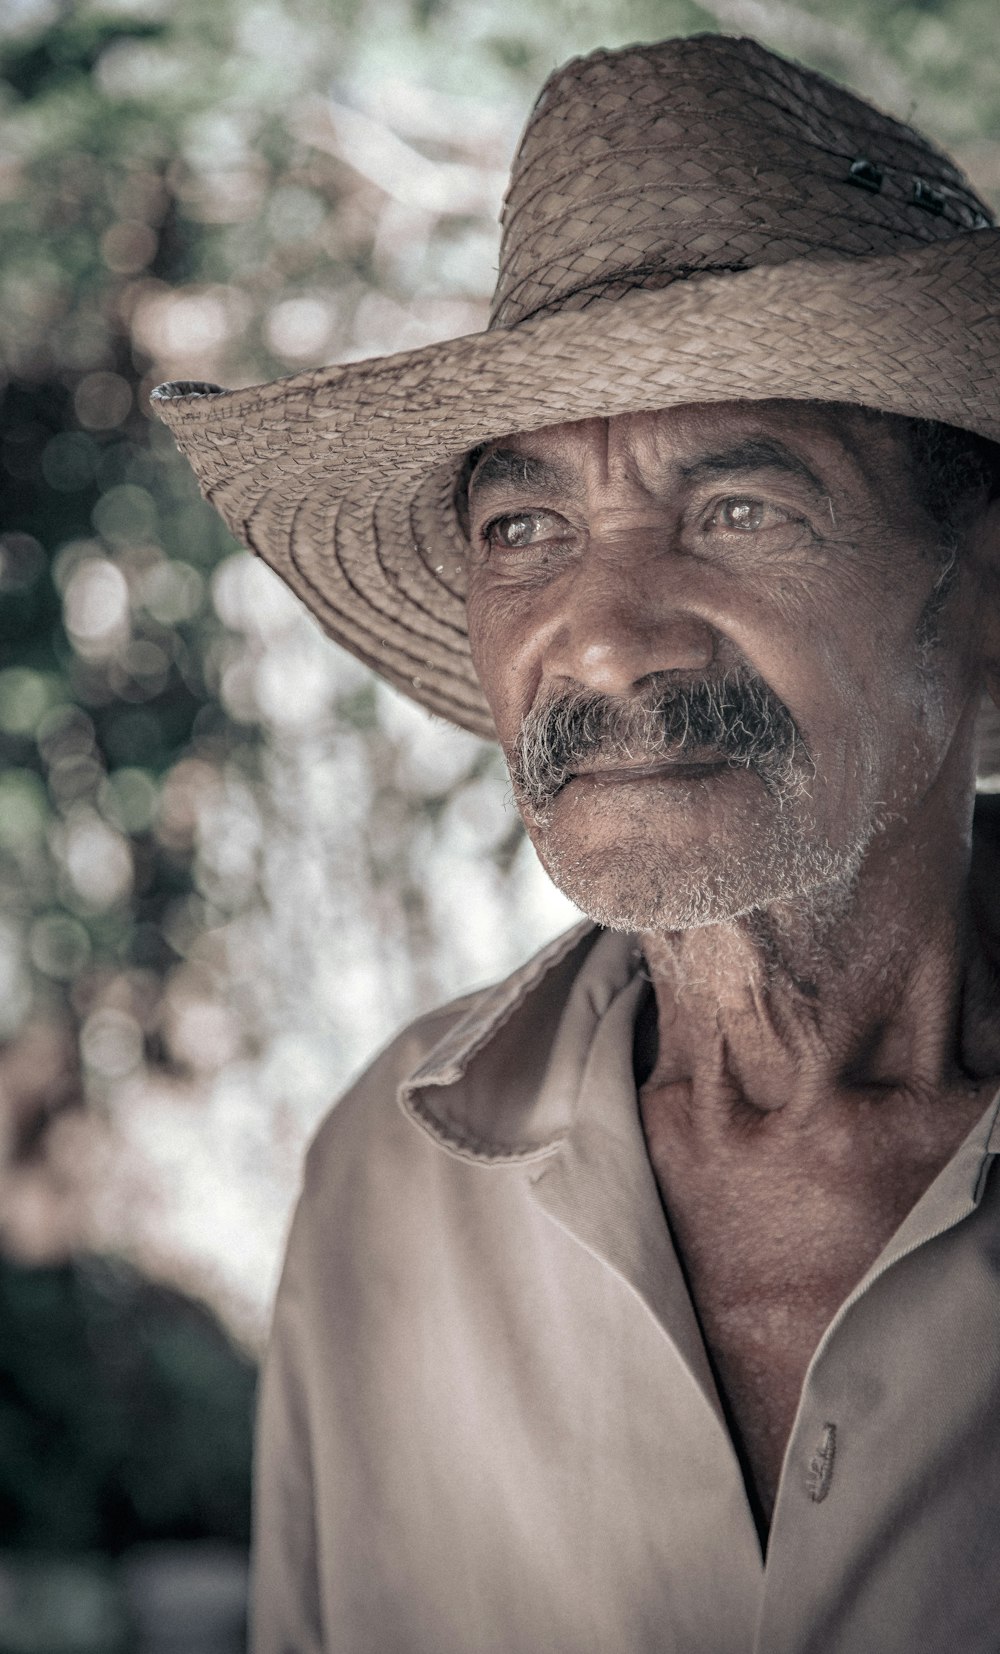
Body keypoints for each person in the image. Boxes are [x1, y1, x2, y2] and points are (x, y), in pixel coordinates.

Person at [153, 32, 1000, 1654]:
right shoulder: (387, 1182)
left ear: (986, 595)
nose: (604, 641)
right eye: (525, 529)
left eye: (741, 509)